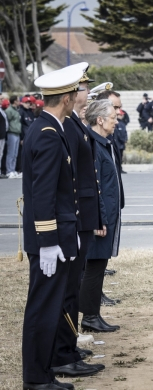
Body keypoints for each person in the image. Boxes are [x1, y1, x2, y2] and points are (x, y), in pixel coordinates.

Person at [22, 65, 89, 390]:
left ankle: (43, 373)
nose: (77, 96)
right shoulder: (48, 135)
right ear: (66, 98)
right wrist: (48, 240)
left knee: (48, 307)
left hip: (57, 236)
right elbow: (43, 194)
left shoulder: (47, 128)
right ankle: (36, 378)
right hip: (50, 240)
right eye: (76, 92)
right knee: (43, 309)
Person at [51, 62, 104, 378]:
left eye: (81, 87)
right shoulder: (66, 126)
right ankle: (64, 351)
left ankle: (68, 347)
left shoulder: (74, 123)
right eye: (81, 88)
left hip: (80, 216)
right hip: (75, 216)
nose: (81, 92)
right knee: (68, 288)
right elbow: (69, 179)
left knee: (72, 285)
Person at [80, 99, 125, 331]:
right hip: (100, 218)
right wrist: (99, 217)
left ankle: (92, 314)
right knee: (95, 267)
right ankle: (89, 317)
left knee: (99, 264)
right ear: (99, 120)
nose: (116, 121)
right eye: (112, 118)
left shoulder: (103, 142)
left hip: (106, 215)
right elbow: (93, 186)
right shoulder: (92, 145)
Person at [5, 95, 21, 178]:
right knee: (11, 153)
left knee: (15, 153)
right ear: (14, 101)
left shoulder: (16, 110)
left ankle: (13, 170)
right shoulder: (9, 110)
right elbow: (7, 121)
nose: (19, 101)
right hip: (11, 133)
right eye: (18, 100)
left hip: (17, 133)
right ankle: (9, 171)